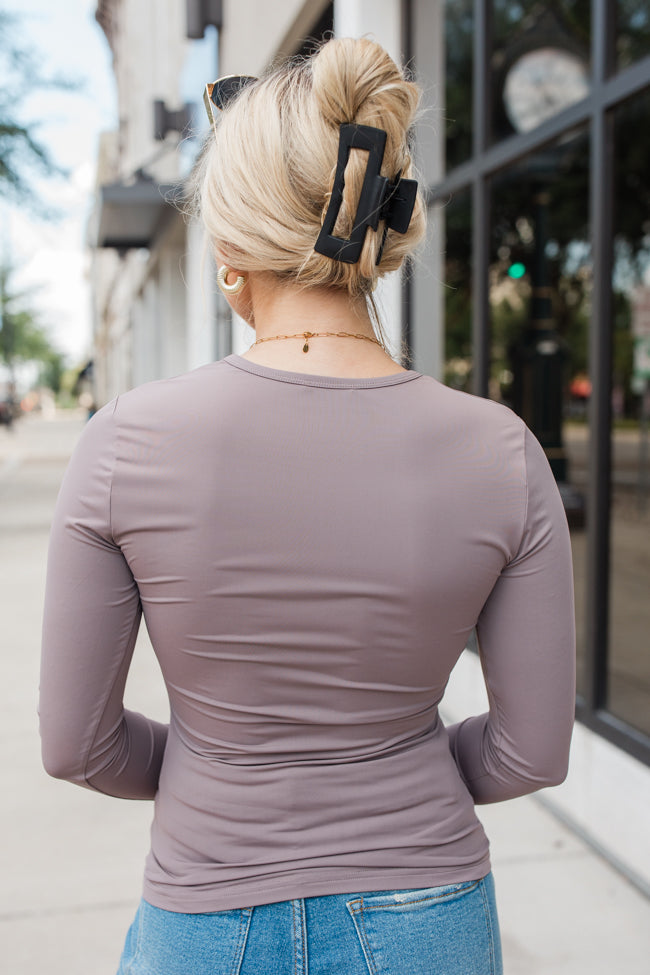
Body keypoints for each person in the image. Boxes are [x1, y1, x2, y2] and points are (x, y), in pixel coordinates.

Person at [39, 37, 575, 975]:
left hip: (204, 910)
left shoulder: (125, 442)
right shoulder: (502, 450)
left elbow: (76, 745)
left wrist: (220, 772)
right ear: (382, 234)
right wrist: (391, 775)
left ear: (233, 246)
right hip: (429, 912)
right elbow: (533, 752)